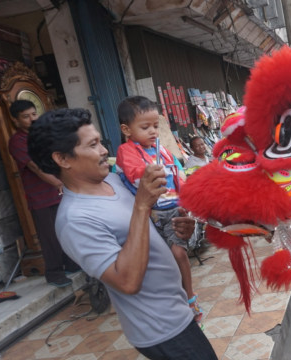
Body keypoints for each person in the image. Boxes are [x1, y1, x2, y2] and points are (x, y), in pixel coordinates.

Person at [27, 108, 218, 359]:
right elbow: (126, 281)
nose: (105, 150)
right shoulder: (75, 220)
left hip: (177, 308)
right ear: (63, 159)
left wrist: (178, 229)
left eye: (100, 142)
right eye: (93, 145)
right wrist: (141, 205)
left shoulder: (114, 182)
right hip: (160, 327)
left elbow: (142, 236)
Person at [114, 96, 204, 321]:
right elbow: (137, 176)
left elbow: (178, 174)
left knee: (178, 252)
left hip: (173, 209)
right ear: (126, 129)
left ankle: (190, 296)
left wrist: (186, 199)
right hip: (150, 214)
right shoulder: (126, 151)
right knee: (162, 260)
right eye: (145, 127)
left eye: (155, 126)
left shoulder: (161, 149)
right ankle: (175, 300)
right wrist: (156, 171)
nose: (153, 131)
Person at [7, 100, 79, 287]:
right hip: (40, 196)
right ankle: (54, 273)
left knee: (66, 229)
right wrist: (60, 183)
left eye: (33, 114)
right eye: (26, 116)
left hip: (60, 190)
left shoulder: (42, 136)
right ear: (16, 120)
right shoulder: (17, 141)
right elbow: (36, 167)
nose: (32, 119)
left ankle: (71, 264)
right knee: (49, 236)